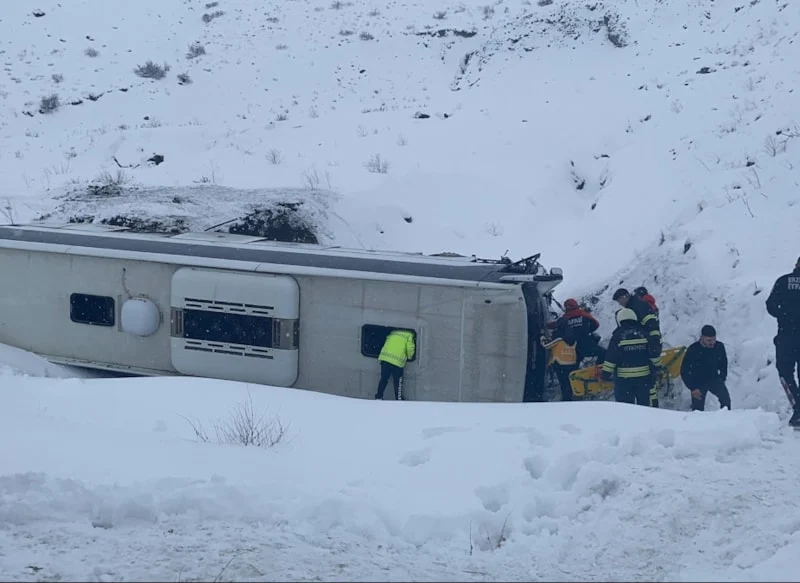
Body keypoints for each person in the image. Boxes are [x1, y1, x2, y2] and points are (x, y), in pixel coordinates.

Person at [600, 308, 660, 406]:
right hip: (644, 379)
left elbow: (611, 359)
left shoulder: (617, 335)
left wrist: (605, 375)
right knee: (646, 407)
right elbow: (654, 354)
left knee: (626, 409)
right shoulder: (644, 333)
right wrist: (658, 366)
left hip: (624, 381)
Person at [766, 257, 800, 426]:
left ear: (796, 266)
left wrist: (784, 315)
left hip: (787, 336)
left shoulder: (783, 281)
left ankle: (798, 408)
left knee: (785, 372)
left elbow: (770, 305)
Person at [680, 325, 731, 411]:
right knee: (697, 411)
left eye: (714, 339)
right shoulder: (693, 349)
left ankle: (726, 420)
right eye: (709, 340)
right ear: (702, 338)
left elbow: (723, 364)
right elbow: (684, 370)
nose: (712, 342)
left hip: (714, 379)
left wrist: (722, 378)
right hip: (698, 382)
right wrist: (692, 388)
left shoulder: (719, 347)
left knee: (726, 400)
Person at [547, 298, 605, 365]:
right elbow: (596, 324)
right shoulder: (584, 314)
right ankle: (597, 368)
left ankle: (575, 370)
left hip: (571, 349)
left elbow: (554, 325)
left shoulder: (564, 318)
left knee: (574, 363)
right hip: (586, 345)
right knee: (604, 353)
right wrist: (587, 330)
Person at [612, 287, 662, 362]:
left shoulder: (637, 306)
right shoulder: (634, 306)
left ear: (624, 297)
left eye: (619, 300)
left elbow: (650, 324)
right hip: (644, 341)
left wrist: (653, 341)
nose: (620, 304)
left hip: (648, 341)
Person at [374, 328, 416, 400]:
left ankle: (378, 396)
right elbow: (410, 348)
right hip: (397, 361)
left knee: (384, 379)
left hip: (385, 358)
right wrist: (409, 356)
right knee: (398, 382)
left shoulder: (393, 332)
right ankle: (398, 398)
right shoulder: (409, 335)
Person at [541, 333, 578, 401]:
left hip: (560, 364)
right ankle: (569, 398)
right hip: (571, 364)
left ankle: (566, 400)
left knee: (563, 384)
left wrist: (542, 338)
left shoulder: (558, 340)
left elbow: (546, 346)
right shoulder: (574, 340)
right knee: (568, 385)